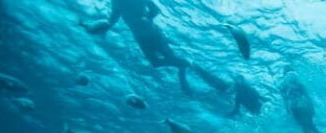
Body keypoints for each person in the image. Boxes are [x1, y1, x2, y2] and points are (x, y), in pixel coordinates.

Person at [85, 0, 223, 95]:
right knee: (158, 62)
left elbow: (113, 20)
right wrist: (104, 30)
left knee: (162, 61)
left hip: (148, 35)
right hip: (147, 35)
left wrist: (145, 18)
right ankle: (185, 65)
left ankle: (191, 67)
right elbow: (154, 11)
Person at [280, 69, 326, 133]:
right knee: (310, 127)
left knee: (307, 128)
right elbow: (308, 96)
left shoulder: (283, 86)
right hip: (304, 106)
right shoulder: (299, 84)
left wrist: (288, 111)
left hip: (295, 108)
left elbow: (285, 101)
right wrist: (313, 109)